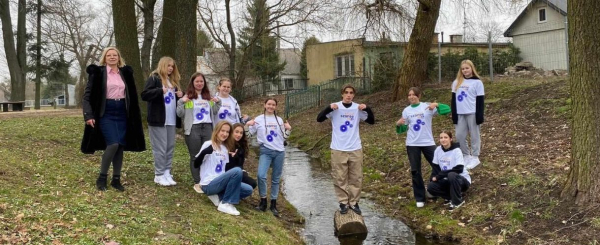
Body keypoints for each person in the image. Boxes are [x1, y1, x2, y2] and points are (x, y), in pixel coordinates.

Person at [81, 47, 146, 191]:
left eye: (114, 55)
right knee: (113, 143)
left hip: (122, 112)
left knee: (120, 145)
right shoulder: (98, 73)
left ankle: (116, 180)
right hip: (106, 112)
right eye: (108, 55)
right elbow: (87, 96)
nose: (112, 57)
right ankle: (102, 178)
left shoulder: (125, 73)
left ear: (118, 57)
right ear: (104, 58)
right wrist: (88, 115)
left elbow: (132, 96)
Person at [316, 84, 374, 215]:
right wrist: (328, 108)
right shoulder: (335, 107)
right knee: (339, 177)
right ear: (342, 94)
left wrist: (368, 109)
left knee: (356, 177)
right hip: (338, 148)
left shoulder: (357, 108)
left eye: (351, 93)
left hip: (355, 148)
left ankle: (354, 202)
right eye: (346, 92)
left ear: (354, 95)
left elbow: (371, 121)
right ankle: (343, 202)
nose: (348, 95)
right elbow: (319, 119)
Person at [395, 87, 450, 208]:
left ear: (419, 96)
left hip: (428, 142)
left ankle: (432, 189)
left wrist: (436, 104)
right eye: (409, 95)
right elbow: (402, 128)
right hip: (412, 144)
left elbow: (447, 110)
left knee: (439, 165)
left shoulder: (427, 106)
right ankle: (420, 197)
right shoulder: (406, 110)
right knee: (415, 171)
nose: (411, 97)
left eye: (414, 95)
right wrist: (398, 125)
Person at [194, 121, 254, 216]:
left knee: (248, 189)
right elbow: (196, 165)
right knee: (237, 171)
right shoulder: (208, 144)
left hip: (220, 182)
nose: (225, 134)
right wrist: (204, 153)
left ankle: (220, 196)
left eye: (227, 132)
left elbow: (224, 169)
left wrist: (234, 158)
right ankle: (226, 202)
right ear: (217, 131)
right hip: (209, 183)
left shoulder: (225, 148)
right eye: (222, 131)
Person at [177, 72, 221, 193]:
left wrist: (218, 102)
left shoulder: (208, 96)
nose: (199, 83)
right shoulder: (188, 97)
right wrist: (181, 102)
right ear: (193, 83)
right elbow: (179, 113)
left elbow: (215, 111)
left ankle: (206, 179)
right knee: (195, 156)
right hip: (193, 128)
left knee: (208, 155)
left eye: (201, 81)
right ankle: (197, 181)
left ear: (204, 83)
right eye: (197, 81)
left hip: (207, 128)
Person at [141, 56, 183, 186]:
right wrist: (160, 91)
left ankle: (166, 172)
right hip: (158, 120)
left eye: (172, 66)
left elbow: (177, 98)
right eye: (168, 65)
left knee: (169, 147)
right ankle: (158, 175)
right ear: (162, 65)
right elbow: (144, 95)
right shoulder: (154, 78)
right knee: (160, 148)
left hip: (171, 120)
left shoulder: (173, 81)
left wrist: (182, 94)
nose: (170, 68)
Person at [246, 98, 291, 217]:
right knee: (261, 175)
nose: (271, 106)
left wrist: (289, 129)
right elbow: (248, 135)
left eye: (273, 105)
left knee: (276, 179)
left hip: (279, 152)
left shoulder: (279, 120)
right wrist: (247, 125)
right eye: (269, 104)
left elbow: (284, 138)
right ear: (265, 105)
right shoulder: (258, 119)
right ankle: (263, 201)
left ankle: (273, 204)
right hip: (265, 151)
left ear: (276, 107)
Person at [451, 59, 485, 169]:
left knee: (474, 136)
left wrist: (479, 116)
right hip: (460, 114)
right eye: (463, 69)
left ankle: (475, 157)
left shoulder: (477, 82)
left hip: (472, 113)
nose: (465, 70)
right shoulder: (456, 82)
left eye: (467, 68)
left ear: (471, 68)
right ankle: (466, 155)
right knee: (459, 135)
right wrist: (454, 115)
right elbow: (453, 100)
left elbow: (480, 101)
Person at [427, 130, 471, 211]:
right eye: (441, 138)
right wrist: (433, 178)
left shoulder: (457, 150)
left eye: (445, 137)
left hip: (460, 180)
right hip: (447, 180)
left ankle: (457, 201)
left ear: (450, 139)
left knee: (451, 174)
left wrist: (440, 175)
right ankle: (450, 197)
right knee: (431, 186)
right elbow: (435, 168)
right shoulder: (438, 150)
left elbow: (459, 169)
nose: (443, 140)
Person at [226, 123, 257, 189]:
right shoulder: (226, 145)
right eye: (236, 132)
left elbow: (240, 164)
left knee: (253, 183)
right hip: (226, 173)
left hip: (238, 171)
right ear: (231, 132)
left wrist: (242, 171)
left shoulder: (241, 146)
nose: (238, 135)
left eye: (241, 133)